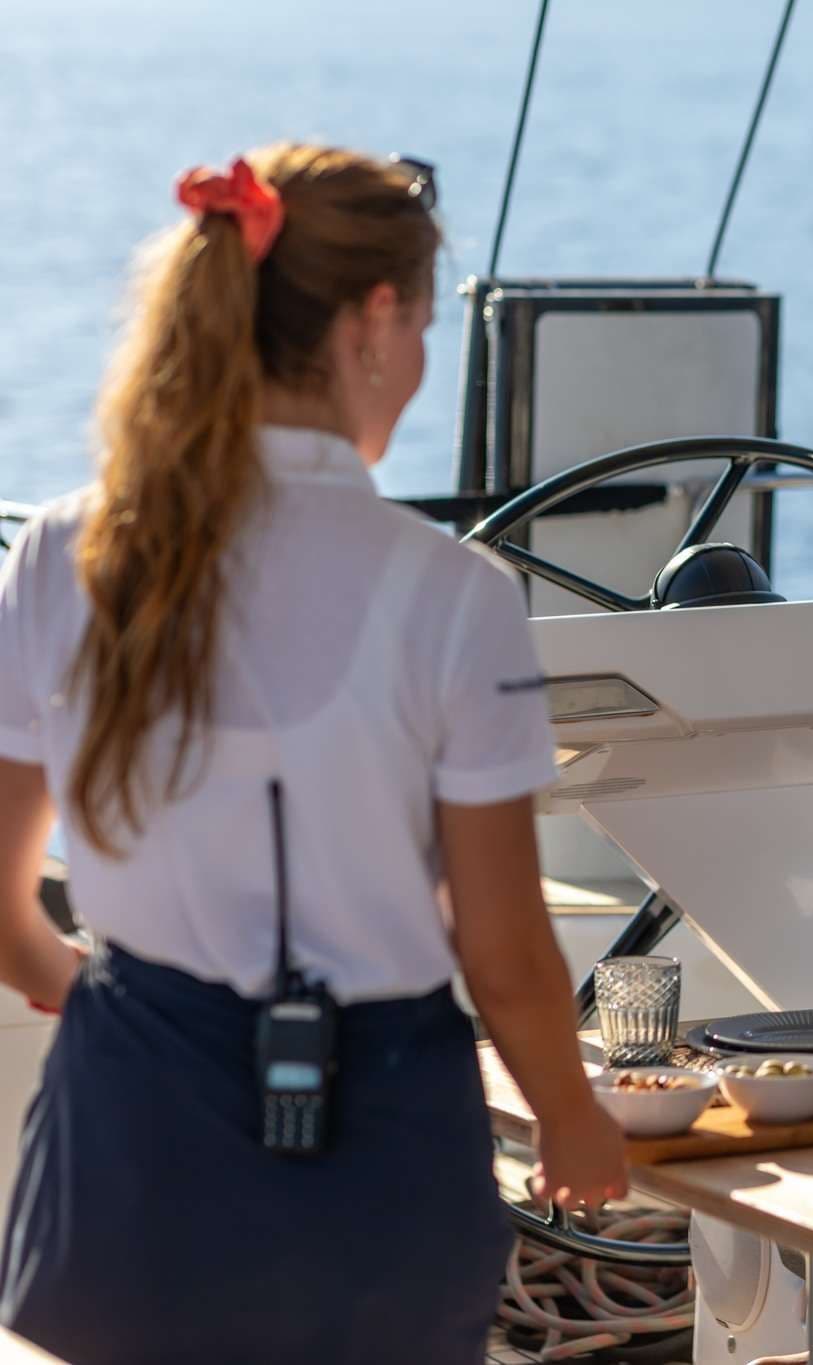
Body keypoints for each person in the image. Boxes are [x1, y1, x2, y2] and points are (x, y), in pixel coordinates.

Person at [0, 145, 625, 1363]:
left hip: (125, 1155)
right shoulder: (456, 596)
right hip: (377, 1165)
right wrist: (572, 1119)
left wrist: (117, 1007)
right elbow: (503, 954)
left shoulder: (61, 555)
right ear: (376, 321)